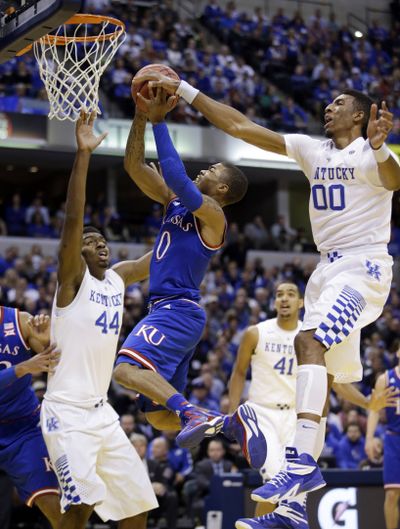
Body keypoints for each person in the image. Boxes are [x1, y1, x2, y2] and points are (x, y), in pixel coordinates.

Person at [136, 73, 400, 522]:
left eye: (338, 103)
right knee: (326, 378)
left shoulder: (370, 152)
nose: (328, 108)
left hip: (363, 268)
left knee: (307, 343)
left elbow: (393, 180)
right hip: (326, 271)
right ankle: (294, 512)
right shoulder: (311, 149)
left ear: (359, 115)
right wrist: (184, 91)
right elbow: (239, 127)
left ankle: (298, 462)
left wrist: (379, 146)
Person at [112, 88, 266, 469]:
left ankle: (192, 412)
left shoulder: (213, 217)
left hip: (175, 311)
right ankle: (226, 423)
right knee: (158, 416)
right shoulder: (174, 206)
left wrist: (160, 122)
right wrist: (139, 115)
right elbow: (133, 167)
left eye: (212, 171)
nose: (204, 171)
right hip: (172, 313)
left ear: (222, 188)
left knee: (124, 371)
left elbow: (179, 178)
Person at [40, 111, 158, 529]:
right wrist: (83, 155)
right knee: (81, 508)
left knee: (137, 506)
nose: (99, 245)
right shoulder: (72, 282)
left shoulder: (118, 279)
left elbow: (152, 260)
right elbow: (74, 219)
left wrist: (183, 211)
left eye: (103, 240)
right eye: (91, 243)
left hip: (101, 412)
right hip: (66, 413)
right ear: (79, 252)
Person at [228, 281, 398, 528]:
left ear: (301, 302)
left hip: (299, 418)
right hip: (264, 413)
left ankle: (282, 518)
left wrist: (367, 402)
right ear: (274, 302)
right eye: (278, 295)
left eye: (290, 294)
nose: (284, 299)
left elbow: (334, 382)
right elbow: (239, 372)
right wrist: (234, 415)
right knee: (278, 478)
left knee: (286, 490)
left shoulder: (314, 335)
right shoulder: (256, 333)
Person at [0, 310, 60, 528]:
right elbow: (28, 366)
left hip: (23, 429)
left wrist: (45, 343)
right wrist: (22, 368)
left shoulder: (20, 321)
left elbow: (53, 363)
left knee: (53, 503)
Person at [366, 344, 400, 529]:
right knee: (392, 494)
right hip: (394, 439)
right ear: (398, 352)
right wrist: (370, 438)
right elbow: (374, 410)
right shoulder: (385, 379)